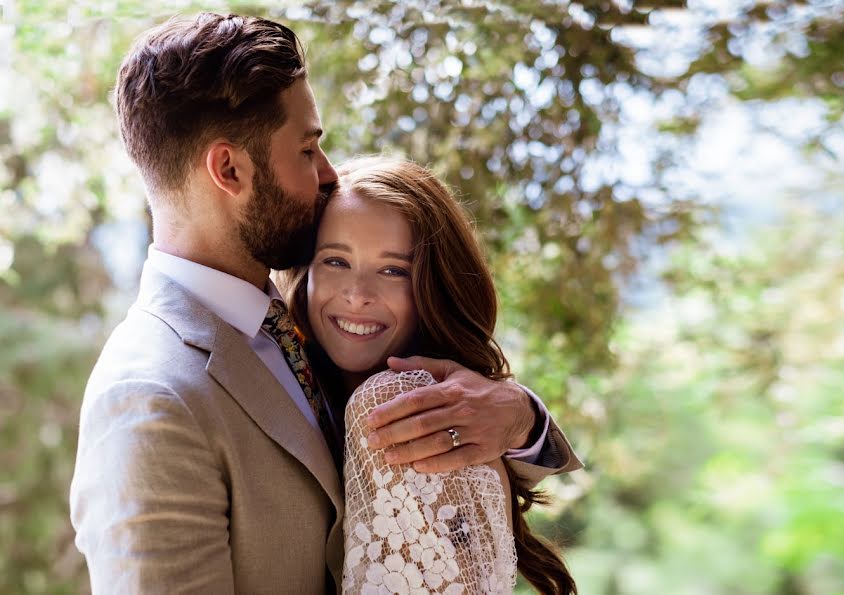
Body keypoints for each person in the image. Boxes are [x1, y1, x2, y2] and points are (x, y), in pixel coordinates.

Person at [69, 12, 581, 593]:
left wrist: (518, 414)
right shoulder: (150, 395)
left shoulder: (294, 325)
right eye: (308, 149)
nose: (329, 173)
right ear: (229, 169)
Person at [276, 155, 578, 594]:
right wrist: (523, 414)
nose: (358, 295)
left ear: (434, 288)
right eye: (336, 261)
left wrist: (519, 415)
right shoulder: (294, 372)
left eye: (394, 270)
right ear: (305, 273)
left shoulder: (397, 404)